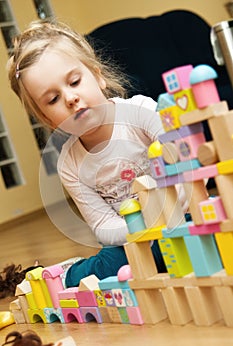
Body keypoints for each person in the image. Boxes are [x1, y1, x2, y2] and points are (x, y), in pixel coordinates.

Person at [6, 19, 177, 287]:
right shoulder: (70, 165)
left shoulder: (141, 112)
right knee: (105, 267)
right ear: (48, 119)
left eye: (74, 81)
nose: (70, 98)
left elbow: (182, 160)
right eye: (52, 100)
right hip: (130, 243)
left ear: (98, 76)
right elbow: (102, 226)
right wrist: (142, 228)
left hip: (179, 218)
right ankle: (63, 275)